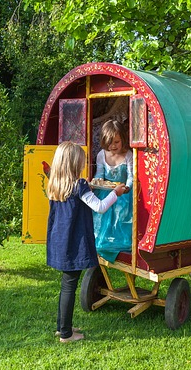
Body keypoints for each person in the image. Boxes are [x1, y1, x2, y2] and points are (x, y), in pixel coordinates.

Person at [46, 141, 126, 343]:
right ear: (73, 163)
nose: (83, 163)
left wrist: (88, 187)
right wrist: (115, 193)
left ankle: (61, 327)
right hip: (73, 244)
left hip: (60, 241)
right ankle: (66, 334)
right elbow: (99, 207)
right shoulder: (79, 185)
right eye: (81, 160)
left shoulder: (57, 184)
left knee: (66, 284)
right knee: (69, 287)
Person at [92, 119, 133, 263]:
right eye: (110, 142)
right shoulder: (102, 155)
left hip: (124, 192)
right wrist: (96, 184)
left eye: (117, 142)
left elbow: (131, 176)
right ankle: (104, 243)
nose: (113, 146)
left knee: (121, 215)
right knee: (103, 216)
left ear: (122, 139)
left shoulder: (128, 155)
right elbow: (99, 175)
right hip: (107, 191)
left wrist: (127, 188)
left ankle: (121, 244)